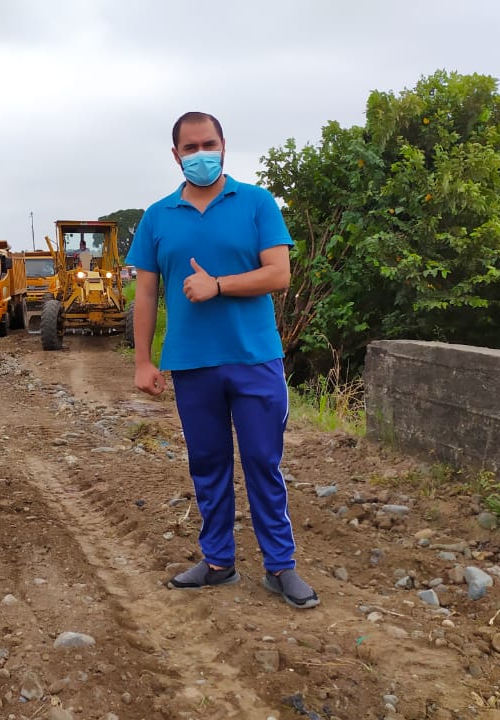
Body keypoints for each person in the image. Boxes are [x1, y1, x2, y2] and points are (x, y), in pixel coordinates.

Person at [126, 111, 318, 609]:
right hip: (192, 364)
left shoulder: (256, 203)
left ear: (224, 145)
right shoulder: (157, 216)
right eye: (190, 148)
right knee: (207, 465)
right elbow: (145, 294)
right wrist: (143, 361)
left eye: (208, 144)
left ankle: (280, 566)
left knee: (262, 462)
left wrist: (218, 285)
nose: (201, 155)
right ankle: (218, 562)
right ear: (176, 155)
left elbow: (279, 274)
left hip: (255, 358)